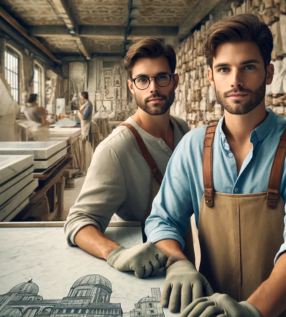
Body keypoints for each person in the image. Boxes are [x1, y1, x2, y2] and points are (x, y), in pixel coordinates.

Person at [144, 14, 286, 317]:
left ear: (269, 72)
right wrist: (177, 261)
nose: (235, 80)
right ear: (210, 76)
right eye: (224, 69)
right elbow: (163, 220)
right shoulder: (192, 147)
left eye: (248, 66)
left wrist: (254, 310)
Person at [63, 38, 195, 280]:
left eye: (161, 77)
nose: (153, 87)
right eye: (143, 80)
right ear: (131, 87)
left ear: (174, 81)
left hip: (185, 258)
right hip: (147, 269)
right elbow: (78, 221)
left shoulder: (183, 130)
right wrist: (115, 253)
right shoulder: (116, 149)